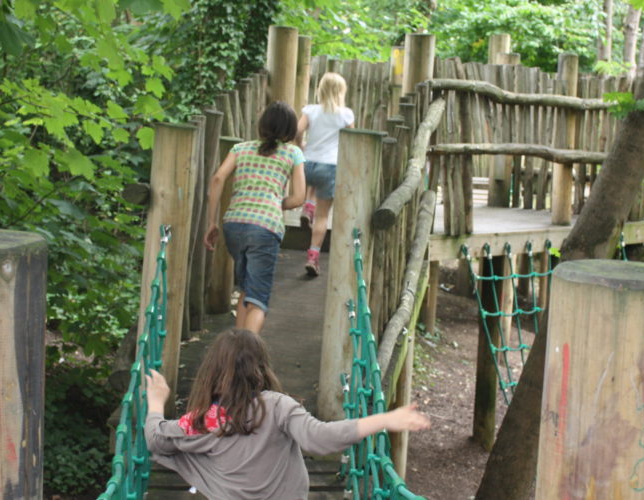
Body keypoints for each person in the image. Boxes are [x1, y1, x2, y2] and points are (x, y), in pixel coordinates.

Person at [144, 328, 431, 500]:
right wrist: (383, 419)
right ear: (262, 367)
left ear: (210, 371)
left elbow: (157, 440)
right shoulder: (278, 406)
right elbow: (320, 439)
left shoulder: (199, 422)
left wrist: (156, 403)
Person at [204, 101, 306, 334]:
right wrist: (273, 203)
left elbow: (218, 179)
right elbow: (299, 197)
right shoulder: (293, 153)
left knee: (246, 290)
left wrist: (212, 222)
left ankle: (237, 352)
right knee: (258, 298)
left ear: (262, 125)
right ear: (291, 130)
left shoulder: (240, 149)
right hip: (265, 226)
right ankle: (246, 356)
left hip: (234, 224)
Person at [295, 72, 355, 276]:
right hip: (330, 166)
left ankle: (307, 207)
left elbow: (297, 130)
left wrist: (301, 145)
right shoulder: (345, 114)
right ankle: (313, 256)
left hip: (307, 163)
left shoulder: (310, 110)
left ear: (320, 90)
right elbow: (352, 138)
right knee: (323, 217)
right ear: (341, 92)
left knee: (313, 181)